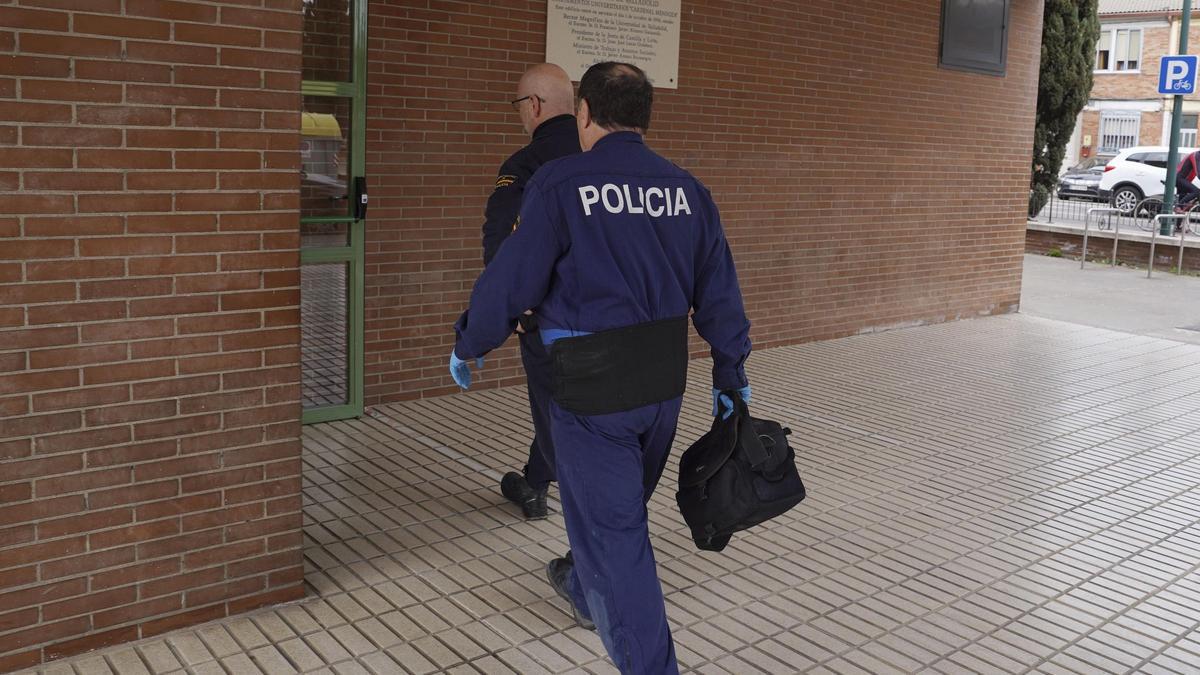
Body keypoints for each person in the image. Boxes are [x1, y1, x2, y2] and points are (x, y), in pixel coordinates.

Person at [449, 62, 752, 674]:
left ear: (584, 113)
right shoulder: (686, 189)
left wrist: (470, 342)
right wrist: (731, 374)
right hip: (664, 386)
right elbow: (720, 293)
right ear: (643, 117)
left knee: (617, 544)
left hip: (591, 391)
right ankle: (583, 582)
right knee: (619, 514)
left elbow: (512, 278)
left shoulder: (561, 183)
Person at [481, 63, 582, 519]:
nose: (519, 114)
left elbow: (503, 242)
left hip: (547, 318)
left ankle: (567, 505)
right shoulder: (601, 155)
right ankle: (536, 479)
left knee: (555, 410)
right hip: (612, 317)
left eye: (519, 104)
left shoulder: (524, 165)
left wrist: (512, 308)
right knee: (572, 405)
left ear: (535, 106)